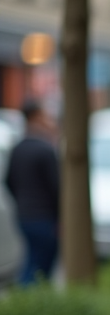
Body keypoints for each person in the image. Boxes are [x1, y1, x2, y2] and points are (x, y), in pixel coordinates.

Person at [3, 100, 60, 284]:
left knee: (31, 260)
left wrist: (21, 202)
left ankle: (26, 298)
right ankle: (29, 300)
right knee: (40, 266)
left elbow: (9, 181)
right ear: (36, 117)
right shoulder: (45, 150)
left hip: (24, 215)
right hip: (45, 217)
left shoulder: (17, 148)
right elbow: (56, 188)